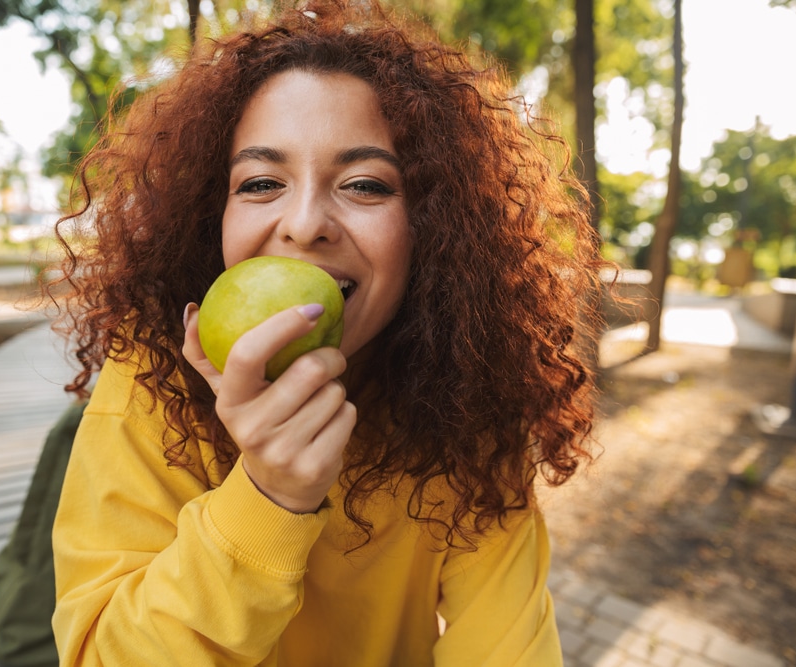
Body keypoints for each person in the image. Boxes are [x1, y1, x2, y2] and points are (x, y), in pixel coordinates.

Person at [49, 0, 606, 664]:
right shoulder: (149, 375)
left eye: (366, 184)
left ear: (433, 225)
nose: (305, 222)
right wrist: (267, 498)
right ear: (212, 212)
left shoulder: (474, 415)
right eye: (260, 182)